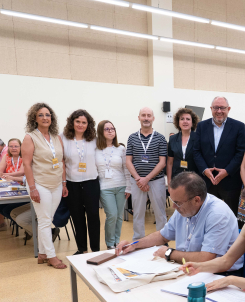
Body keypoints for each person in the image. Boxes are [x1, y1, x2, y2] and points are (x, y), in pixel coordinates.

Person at [116, 172, 244, 274]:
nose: (173, 206)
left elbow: (206, 258)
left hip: (218, 274)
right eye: (173, 201)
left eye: (178, 202)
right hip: (189, 267)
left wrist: (169, 253)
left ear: (196, 200)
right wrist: (135, 244)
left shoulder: (217, 214)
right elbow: (162, 235)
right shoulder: (184, 208)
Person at [21, 102, 68, 269]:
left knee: (47, 220)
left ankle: (42, 253)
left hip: (56, 184)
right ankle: (51, 255)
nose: (45, 118)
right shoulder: (30, 137)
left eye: (48, 115)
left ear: (52, 118)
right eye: (41, 115)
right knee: (45, 220)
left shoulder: (57, 137)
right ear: (35, 118)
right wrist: (32, 188)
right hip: (39, 184)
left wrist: (63, 183)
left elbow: (61, 161)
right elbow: (27, 165)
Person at [194, 96, 245, 215]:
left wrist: (227, 171)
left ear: (228, 109)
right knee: (206, 215)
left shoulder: (239, 127)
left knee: (230, 216)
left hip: (230, 182)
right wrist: (205, 170)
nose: (219, 111)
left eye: (222, 108)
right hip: (207, 181)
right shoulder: (201, 126)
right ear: (211, 109)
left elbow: (240, 153)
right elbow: (196, 151)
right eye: (216, 108)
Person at [60, 109, 100, 254]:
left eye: (84, 122)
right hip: (72, 183)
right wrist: (63, 183)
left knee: (93, 216)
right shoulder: (63, 138)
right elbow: (62, 161)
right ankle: (81, 248)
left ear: (88, 124)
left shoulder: (94, 139)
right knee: (77, 216)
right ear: (72, 122)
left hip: (91, 182)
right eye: (77, 121)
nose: (80, 125)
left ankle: (95, 249)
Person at [126, 107, 168, 241]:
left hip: (156, 181)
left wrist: (147, 179)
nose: (146, 118)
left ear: (153, 118)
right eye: (143, 115)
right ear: (138, 118)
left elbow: (162, 162)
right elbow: (128, 161)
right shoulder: (132, 138)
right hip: (136, 181)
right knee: (138, 212)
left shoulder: (160, 138)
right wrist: (139, 179)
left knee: (160, 213)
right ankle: (138, 240)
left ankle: (162, 239)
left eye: (149, 115)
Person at [95, 120, 130, 249]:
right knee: (112, 215)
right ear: (100, 132)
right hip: (105, 187)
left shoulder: (121, 149)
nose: (110, 131)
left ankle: (116, 241)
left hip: (121, 185)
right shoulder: (96, 150)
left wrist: (129, 187)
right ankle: (110, 243)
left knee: (119, 216)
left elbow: (126, 169)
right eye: (107, 129)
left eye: (112, 129)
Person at [0, 138, 27, 233]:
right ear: (8, 147)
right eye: (11, 146)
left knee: (5, 208)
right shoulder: (6, 156)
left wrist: (8, 175)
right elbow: (0, 170)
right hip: (9, 185)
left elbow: (22, 172)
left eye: (16, 146)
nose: (13, 148)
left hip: (22, 186)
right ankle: (21, 223)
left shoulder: (25, 156)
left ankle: (25, 224)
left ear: (21, 147)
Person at [167, 107, 199, 185]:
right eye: (182, 119)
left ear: (192, 122)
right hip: (177, 179)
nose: (185, 121)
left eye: (188, 119)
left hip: (194, 179)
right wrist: (169, 182)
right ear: (178, 122)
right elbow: (170, 163)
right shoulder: (172, 139)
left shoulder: (198, 138)